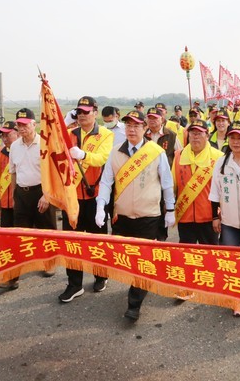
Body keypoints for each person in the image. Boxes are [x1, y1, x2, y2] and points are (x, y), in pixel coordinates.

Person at [95, 110, 175, 321]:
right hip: (122, 216)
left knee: (143, 260)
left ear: (144, 129)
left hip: (148, 216)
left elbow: (166, 183)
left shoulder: (155, 151)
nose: (131, 129)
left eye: (136, 126)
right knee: (126, 258)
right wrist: (100, 205)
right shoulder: (115, 152)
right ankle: (138, 285)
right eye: (128, 126)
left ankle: (134, 303)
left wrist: (171, 209)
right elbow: (106, 182)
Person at [59, 96, 114, 303]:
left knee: (97, 240)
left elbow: (102, 158)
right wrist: (64, 123)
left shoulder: (105, 135)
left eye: (86, 111)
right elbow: (51, 145)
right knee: (72, 241)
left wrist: (82, 155)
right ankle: (74, 284)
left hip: (95, 197)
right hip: (72, 196)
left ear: (95, 113)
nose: (82, 115)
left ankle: (101, 275)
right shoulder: (70, 134)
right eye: (79, 112)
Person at [209, 121, 240, 316]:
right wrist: (215, 217)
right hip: (228, 222)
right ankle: (236, 299)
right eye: (232, 137)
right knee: (229, 261)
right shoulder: (221, 163)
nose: (236, 142)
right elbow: (215, 193)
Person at [9, 108, 56, 276]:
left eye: (25, 124)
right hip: (22, 193)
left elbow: (53, 172)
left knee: (46, 230)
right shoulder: (14, 146)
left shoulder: (45, 143)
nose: (22, 128)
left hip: (41, 192)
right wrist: (15, 194)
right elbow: (13, 172)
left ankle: (49, 262)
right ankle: (18, 271)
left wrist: (47, 195)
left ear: (34, 124)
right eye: (19, 125)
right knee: (21, 232)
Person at [173, 119, 224, 245]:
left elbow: (223, 189)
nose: (195, 137)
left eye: (199, 133)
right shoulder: (179, 155)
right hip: (185, 215)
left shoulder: (218, 157)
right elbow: (172, 184)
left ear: (207, 135)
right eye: (192, 133)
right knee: (185, 256)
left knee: (209, 257)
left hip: (209, 217)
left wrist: (218, 215)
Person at [0, 121, 21, 290]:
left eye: (7, 134)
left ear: (17, 133)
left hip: (22, 201)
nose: (4, 138)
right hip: (6, 202)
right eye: (2, 135)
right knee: (8, 239)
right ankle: (11, 277)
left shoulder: (25, 149)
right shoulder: (0, 152)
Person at [146, 107, 182, 241]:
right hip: (148, 182)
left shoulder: (171, 135)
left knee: (163, 211)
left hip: (165, 182)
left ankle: (161, 239)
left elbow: (179, 156)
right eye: (149, 118)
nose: (152, 121)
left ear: (162, 119)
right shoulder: (143, 135)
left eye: (155, 118)